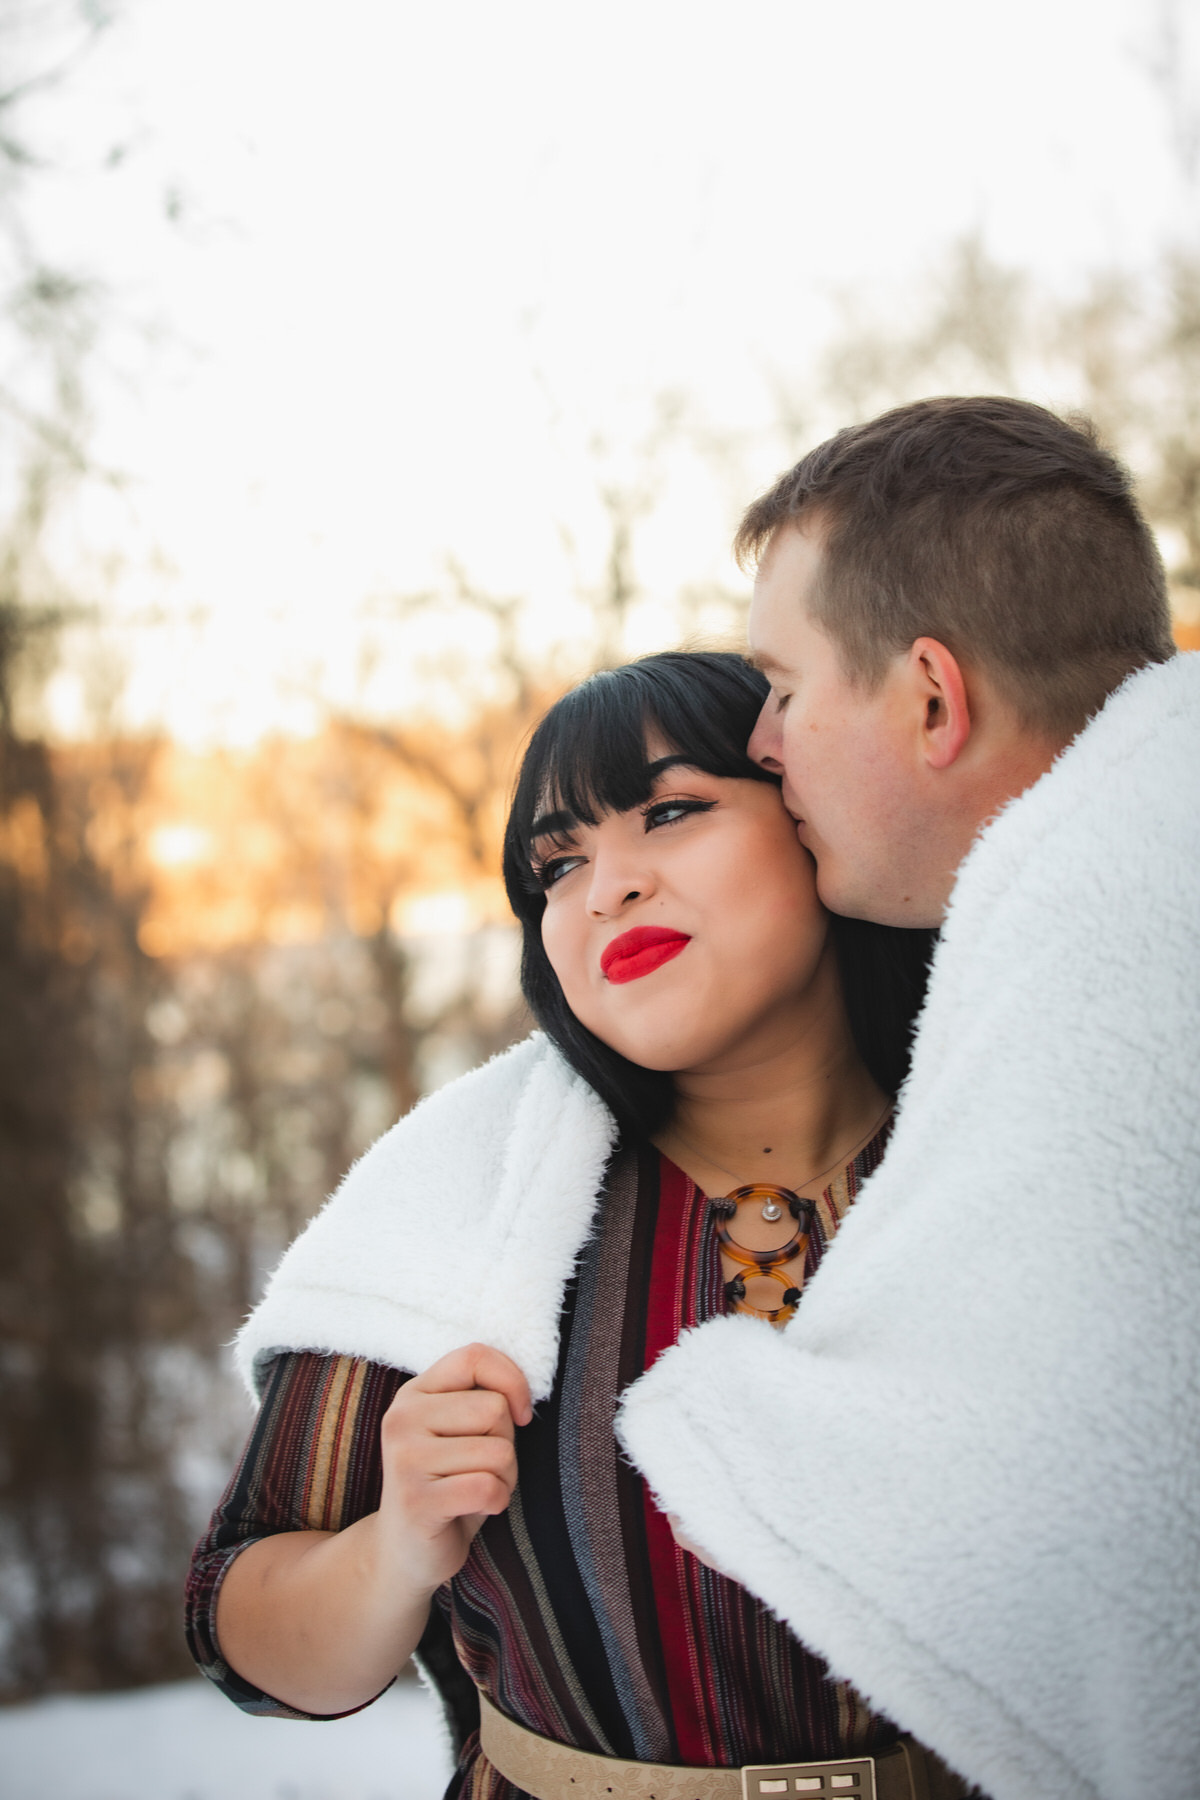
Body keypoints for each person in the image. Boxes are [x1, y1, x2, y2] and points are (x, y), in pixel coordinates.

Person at [186, 650, 964, 1800]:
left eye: (671, 809)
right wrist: (396, 1546)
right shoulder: (458, 1194)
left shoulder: (1023, 1144)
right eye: (560, 862)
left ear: (820, 813)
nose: (608, 888)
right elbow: (241, 1634)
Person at [616, 400, 1200, 1800]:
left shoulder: (1123, 947)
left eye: (787, 686)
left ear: (933, 699)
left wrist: (743, 1439)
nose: (760, 742)